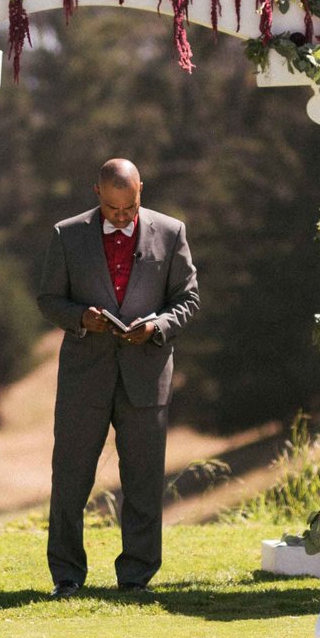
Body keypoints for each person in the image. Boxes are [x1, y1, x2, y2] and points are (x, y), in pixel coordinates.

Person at [34, 158, 200, 594]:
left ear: (141, 190)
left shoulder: (172, 232)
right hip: (83, 378)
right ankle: (67, 576)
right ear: (97, 195)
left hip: (147, 378)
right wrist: (80, 317)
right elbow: (49, 299)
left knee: (144, 483)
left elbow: (188, 299)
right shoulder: (66, 235)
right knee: (69, 480)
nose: (122, 217)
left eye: (130, 208)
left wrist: (157, 328)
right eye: (113, 210)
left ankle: (136, 576)